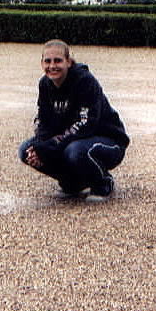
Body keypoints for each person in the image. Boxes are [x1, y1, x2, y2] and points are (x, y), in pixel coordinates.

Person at [18, 40, 129, 200]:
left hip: (108, 141)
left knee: (75, 151)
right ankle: (72, 182)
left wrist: (52, 144)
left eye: (58, 60)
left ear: (68, 62)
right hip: (73, 139)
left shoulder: (85, 81)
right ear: (42, 63)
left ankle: (103, 183)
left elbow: (86, 124)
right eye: (47, 61)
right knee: (26, 150)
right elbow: (44, 121)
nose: (52, 66)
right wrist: (40, 147)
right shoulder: (45, 84)